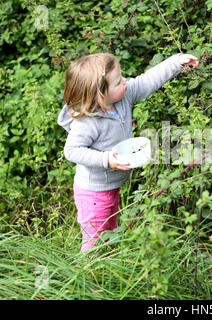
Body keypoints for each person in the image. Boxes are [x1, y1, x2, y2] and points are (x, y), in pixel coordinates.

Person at [58, 52, 199, 252]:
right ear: (99, 94)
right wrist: (107, 159)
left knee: (108, 234)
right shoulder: (87, 123)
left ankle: (103, 271)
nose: (125, 81)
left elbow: (148, 80)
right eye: (117, 82)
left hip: (110, 186)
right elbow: (71, 151)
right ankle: (84, 277)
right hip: (93, 192)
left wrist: (177, 62)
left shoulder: (122, 97)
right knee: (94, 243)